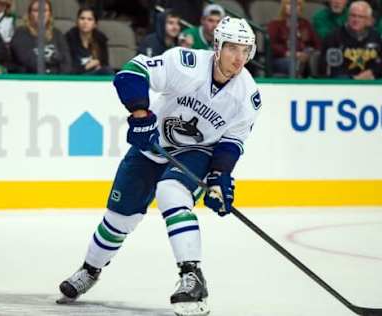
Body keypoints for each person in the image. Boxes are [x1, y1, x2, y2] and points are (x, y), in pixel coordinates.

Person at [56, 16, 261, 316]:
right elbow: (130, 73)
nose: (239, 58)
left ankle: (192, 276)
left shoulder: (248, 95)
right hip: (152, 146)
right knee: (118, 220)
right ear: (216, 46)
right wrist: (140, 114)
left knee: (171, 191)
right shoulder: (186, 63)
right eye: (232, 48)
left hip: (196, 151)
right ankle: (90, 270)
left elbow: (231, 143)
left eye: (246, 50)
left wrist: (219, 177)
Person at [318, 1, 382, 79]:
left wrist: (372, 73)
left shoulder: (376, 37)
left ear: (368, 20)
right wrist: (355, 78)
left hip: (371, 84)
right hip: (343, 85)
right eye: (353, 16)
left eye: (360, 17)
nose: (356, 20)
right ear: (348, 17)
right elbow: (331, 71)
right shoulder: (333, 37)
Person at [10, 0, 71, 74]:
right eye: (36, 10)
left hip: (56, 80)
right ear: (29, 14)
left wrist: (58, 78)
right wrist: (53, 63)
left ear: (50, 14)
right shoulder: (21, 33)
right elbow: (28, 61)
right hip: (30, 79)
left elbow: (66, 62)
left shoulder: (57, 34)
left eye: (44, 10)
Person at [267, 0, 320, 77]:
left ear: (301, 8)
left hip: (304, 59)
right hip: (281, 59)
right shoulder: (275, 24)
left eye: (297, 4)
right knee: (293, 64)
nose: (293, 7)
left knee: (312, 61)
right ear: (284, 7)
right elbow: (271, 45)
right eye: (289, 4)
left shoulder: (305, 24)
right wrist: (290, 53)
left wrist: (307, 53)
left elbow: (317, 44)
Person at [65, 7, 113, 75]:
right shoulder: (69, 38)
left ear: (95, 24)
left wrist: (97, 64)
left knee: (108, 71)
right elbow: (68, 67)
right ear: (77, 22)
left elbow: (104, 63)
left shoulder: (101, 39)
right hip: (76, 77)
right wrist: (88, 66)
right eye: (82, 18)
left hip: (95, 76)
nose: (85, 22)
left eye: (89, 19)